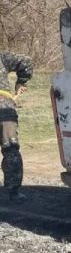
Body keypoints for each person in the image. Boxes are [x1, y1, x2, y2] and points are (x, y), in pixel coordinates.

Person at [0, 50, 32, 203]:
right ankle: (14, 192)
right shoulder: (2, 56)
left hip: (4, 110)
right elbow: (25, 61)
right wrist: (21, 81)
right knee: (11, 149)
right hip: (5, 109)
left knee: (11, 150)